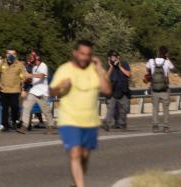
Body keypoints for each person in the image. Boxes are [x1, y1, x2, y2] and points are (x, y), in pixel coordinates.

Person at [50, 39, 112, 187]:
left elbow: (107, 90)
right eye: (82, 54)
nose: (84, 57)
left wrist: (100, 69)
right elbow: (51, 91)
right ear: (75, 53)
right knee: (75, 153)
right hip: (69, 119)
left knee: (84, 155)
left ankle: (76, 183)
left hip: (90, 121)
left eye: (88, 55)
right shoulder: (64, 69)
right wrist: (60, 86)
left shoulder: (95, 69)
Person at [19, 50, 54, 133]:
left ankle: (50, 126)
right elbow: (34, 80)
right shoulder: (34, 67)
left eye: (32, 55)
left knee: (46, 110)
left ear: (37, 57)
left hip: (42, 92)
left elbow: (42, 76)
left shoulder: (43, 65)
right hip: (33, 91)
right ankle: (24, 126)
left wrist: (30, 75)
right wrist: (27, 80)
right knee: (26, 106)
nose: (30, 57)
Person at [0, 49, 24, 131]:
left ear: (16, 55)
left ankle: (14, 121)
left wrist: (23, 84)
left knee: (14, 107)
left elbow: (23, 76)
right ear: (6, 54)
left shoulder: (19, 64)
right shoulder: (1, 63)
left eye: (13, 54)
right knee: (4, 108)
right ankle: (5, 125)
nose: (11, 55)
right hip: (4, 90)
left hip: (15, 90)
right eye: (9, 53)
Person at [145, 46, 175, 133]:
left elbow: (147, 68)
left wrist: (151, 73)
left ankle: (155, 126)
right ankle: (165, 127)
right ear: (166, 53)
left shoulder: (151, 61)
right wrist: (168, 59)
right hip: (164, 89)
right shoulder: (167, 62)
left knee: (155, 108)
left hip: (154, 88)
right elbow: (173, 68)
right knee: (165, 108)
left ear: (158, 52)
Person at [103, 51, 131, 131]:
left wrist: (119, 66)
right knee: (111, 108)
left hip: (123, 90)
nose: (114, 58)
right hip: (112, 91)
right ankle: (107, 124)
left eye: (115, 57)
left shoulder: (124, 63)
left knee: (124, 110)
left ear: (118, 57)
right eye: (112, 57)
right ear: (109, 58)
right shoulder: (109, 66)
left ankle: (122, 123)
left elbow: (128, 74)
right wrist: (111, 67)